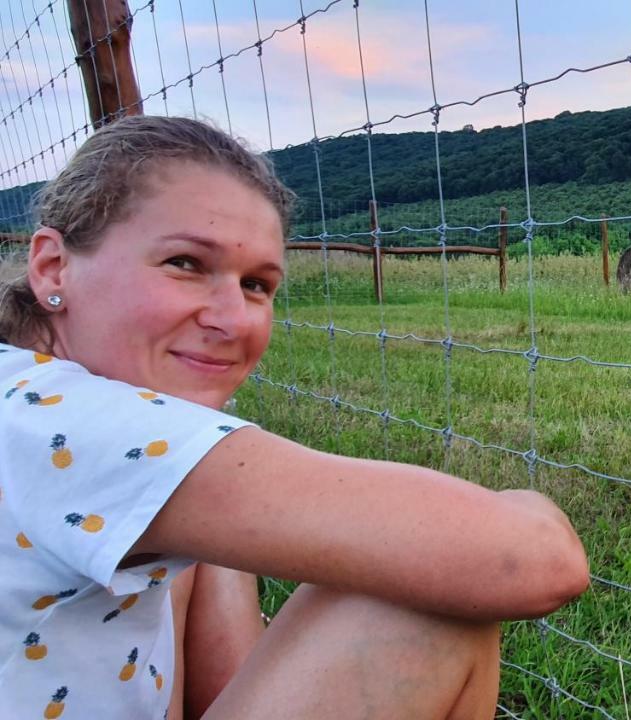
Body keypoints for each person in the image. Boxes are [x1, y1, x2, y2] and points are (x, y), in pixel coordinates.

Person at [0, 115, 589, 720]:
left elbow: (228, 686)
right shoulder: (62, 423)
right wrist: (528, 504)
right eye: (184, 263)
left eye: (256, 284)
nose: (234, 320)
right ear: (52, 267)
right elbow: (538, 561)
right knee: (418, 612)